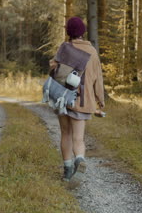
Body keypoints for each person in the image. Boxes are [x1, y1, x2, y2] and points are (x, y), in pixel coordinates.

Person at [49, 17, 105, 183]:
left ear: (69, 32)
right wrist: (100, 100)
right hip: (82, 101)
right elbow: (98, 78)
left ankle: (67, 171)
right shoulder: (92, 52)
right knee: (78, 138)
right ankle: (79, 159)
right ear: (83, 32)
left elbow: (53, 68)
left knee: (65, 134)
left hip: (63, 98)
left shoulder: (65, 48)